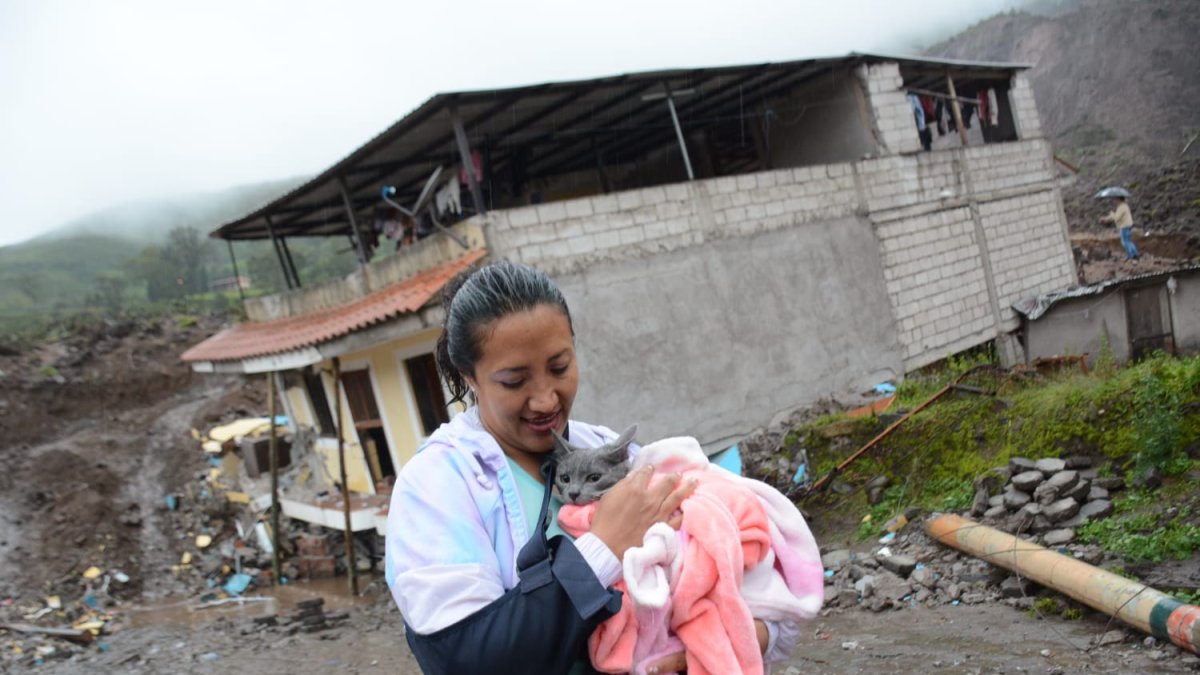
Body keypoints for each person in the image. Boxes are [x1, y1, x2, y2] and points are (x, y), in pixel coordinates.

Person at [385, 261, 799, 674]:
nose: (546, 400)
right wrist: (603, 549)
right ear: (469, 376)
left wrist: (730, 643)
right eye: (514, 381)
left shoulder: (605, 448)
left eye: (560, 367)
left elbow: (746, 583)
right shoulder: (438, 485)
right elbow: (470, 658)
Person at [1100, 195, 1139, 261]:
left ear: (1118, 199)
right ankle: (1135, 254)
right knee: (1128, 240)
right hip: (1127, 225)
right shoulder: (1123, 206)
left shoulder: (1122, 207)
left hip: (1124, 226)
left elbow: (1116, 218)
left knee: (1125, 241)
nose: (1114, 201)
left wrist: (1112, 214)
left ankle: (1131, 255)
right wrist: (1105, 219)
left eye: (1115, 199)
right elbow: (1116, 217)